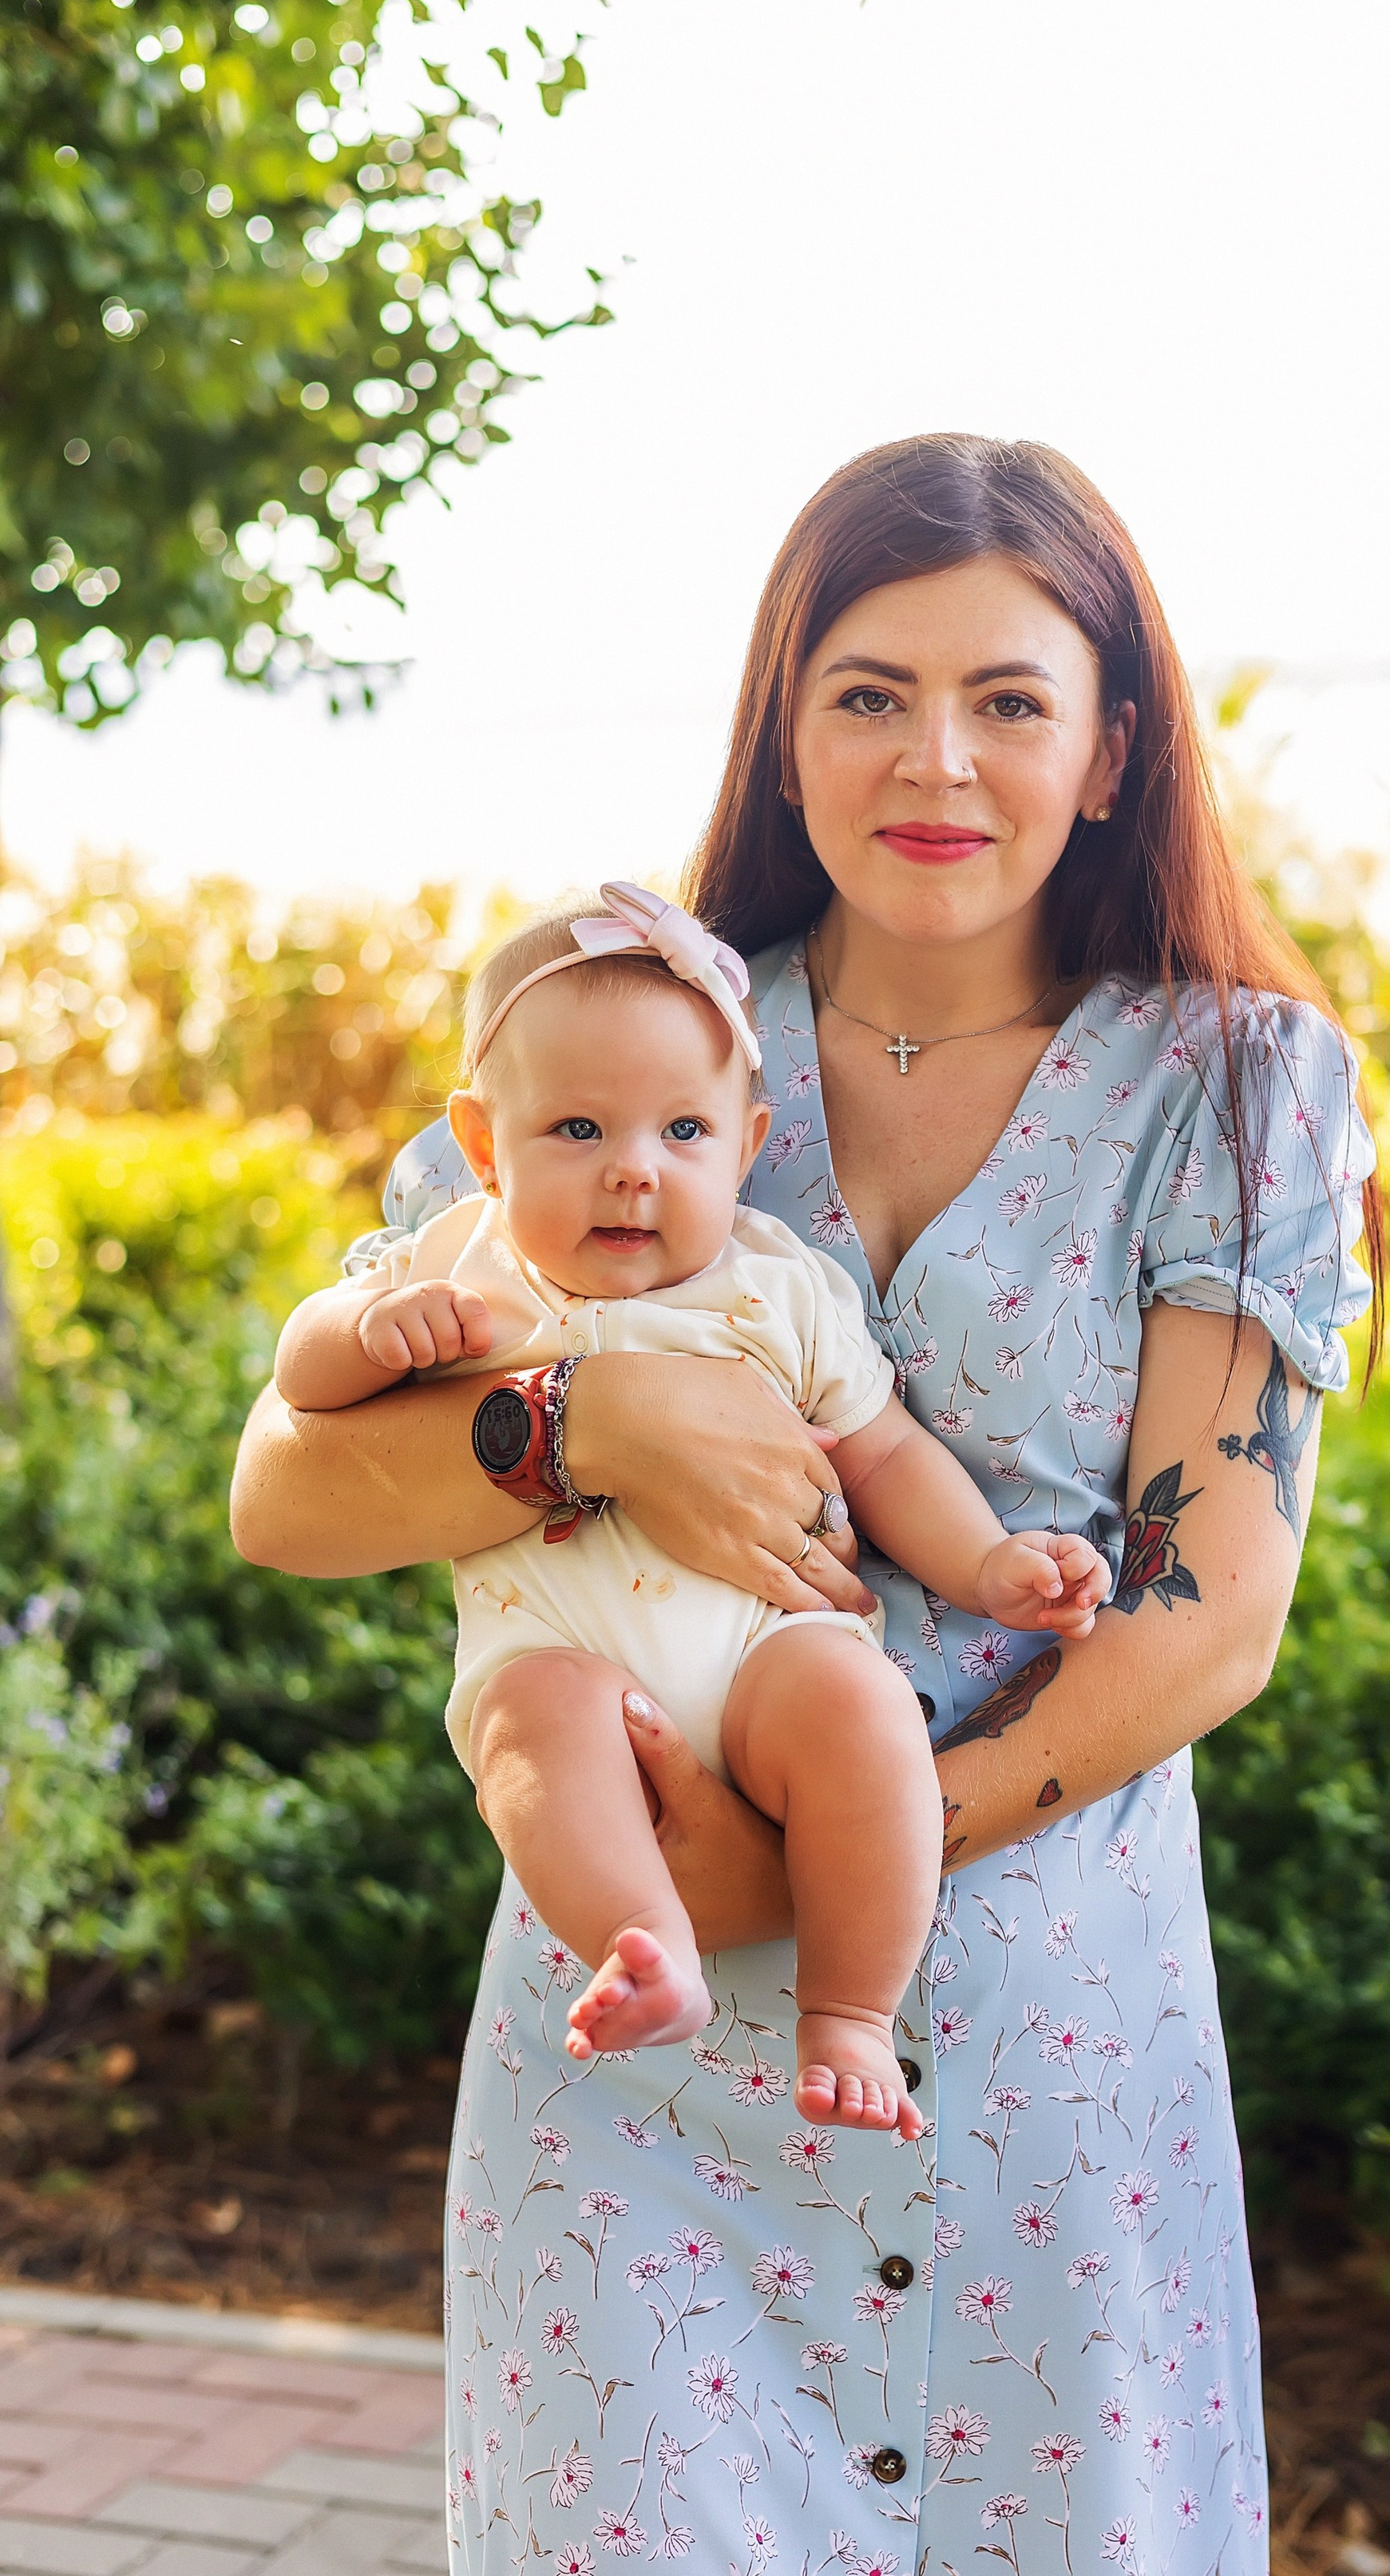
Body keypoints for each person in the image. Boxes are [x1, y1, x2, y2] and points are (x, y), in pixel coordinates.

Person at [232, 433, 1382, 2576]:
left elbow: (1211, 1609)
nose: (935, 764)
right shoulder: (619, 1028)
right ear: (782, 730)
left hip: (1044, 2058)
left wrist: (844, 1850)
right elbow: (299, 1488)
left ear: (1113, 744)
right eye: (866, 696)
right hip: (630, 2091)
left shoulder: (1238, 1085)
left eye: (1005, 698)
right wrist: (581, 1409)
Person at [268, 884, 1109, 2129]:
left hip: (768, 1648)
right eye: (574, 1129)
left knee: (860, 1711)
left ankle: (851, 2012)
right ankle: (644, 1946)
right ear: (485, 1144)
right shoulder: (465, 1260)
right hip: (565, 1660)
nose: (631, 1170)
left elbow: (879, 1456)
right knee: (530, 1733)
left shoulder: (780, 1285)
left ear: (748, 1136)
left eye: (681, 1132)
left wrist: (988, 1565)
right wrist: (365, 1329)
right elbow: (301, 1386)